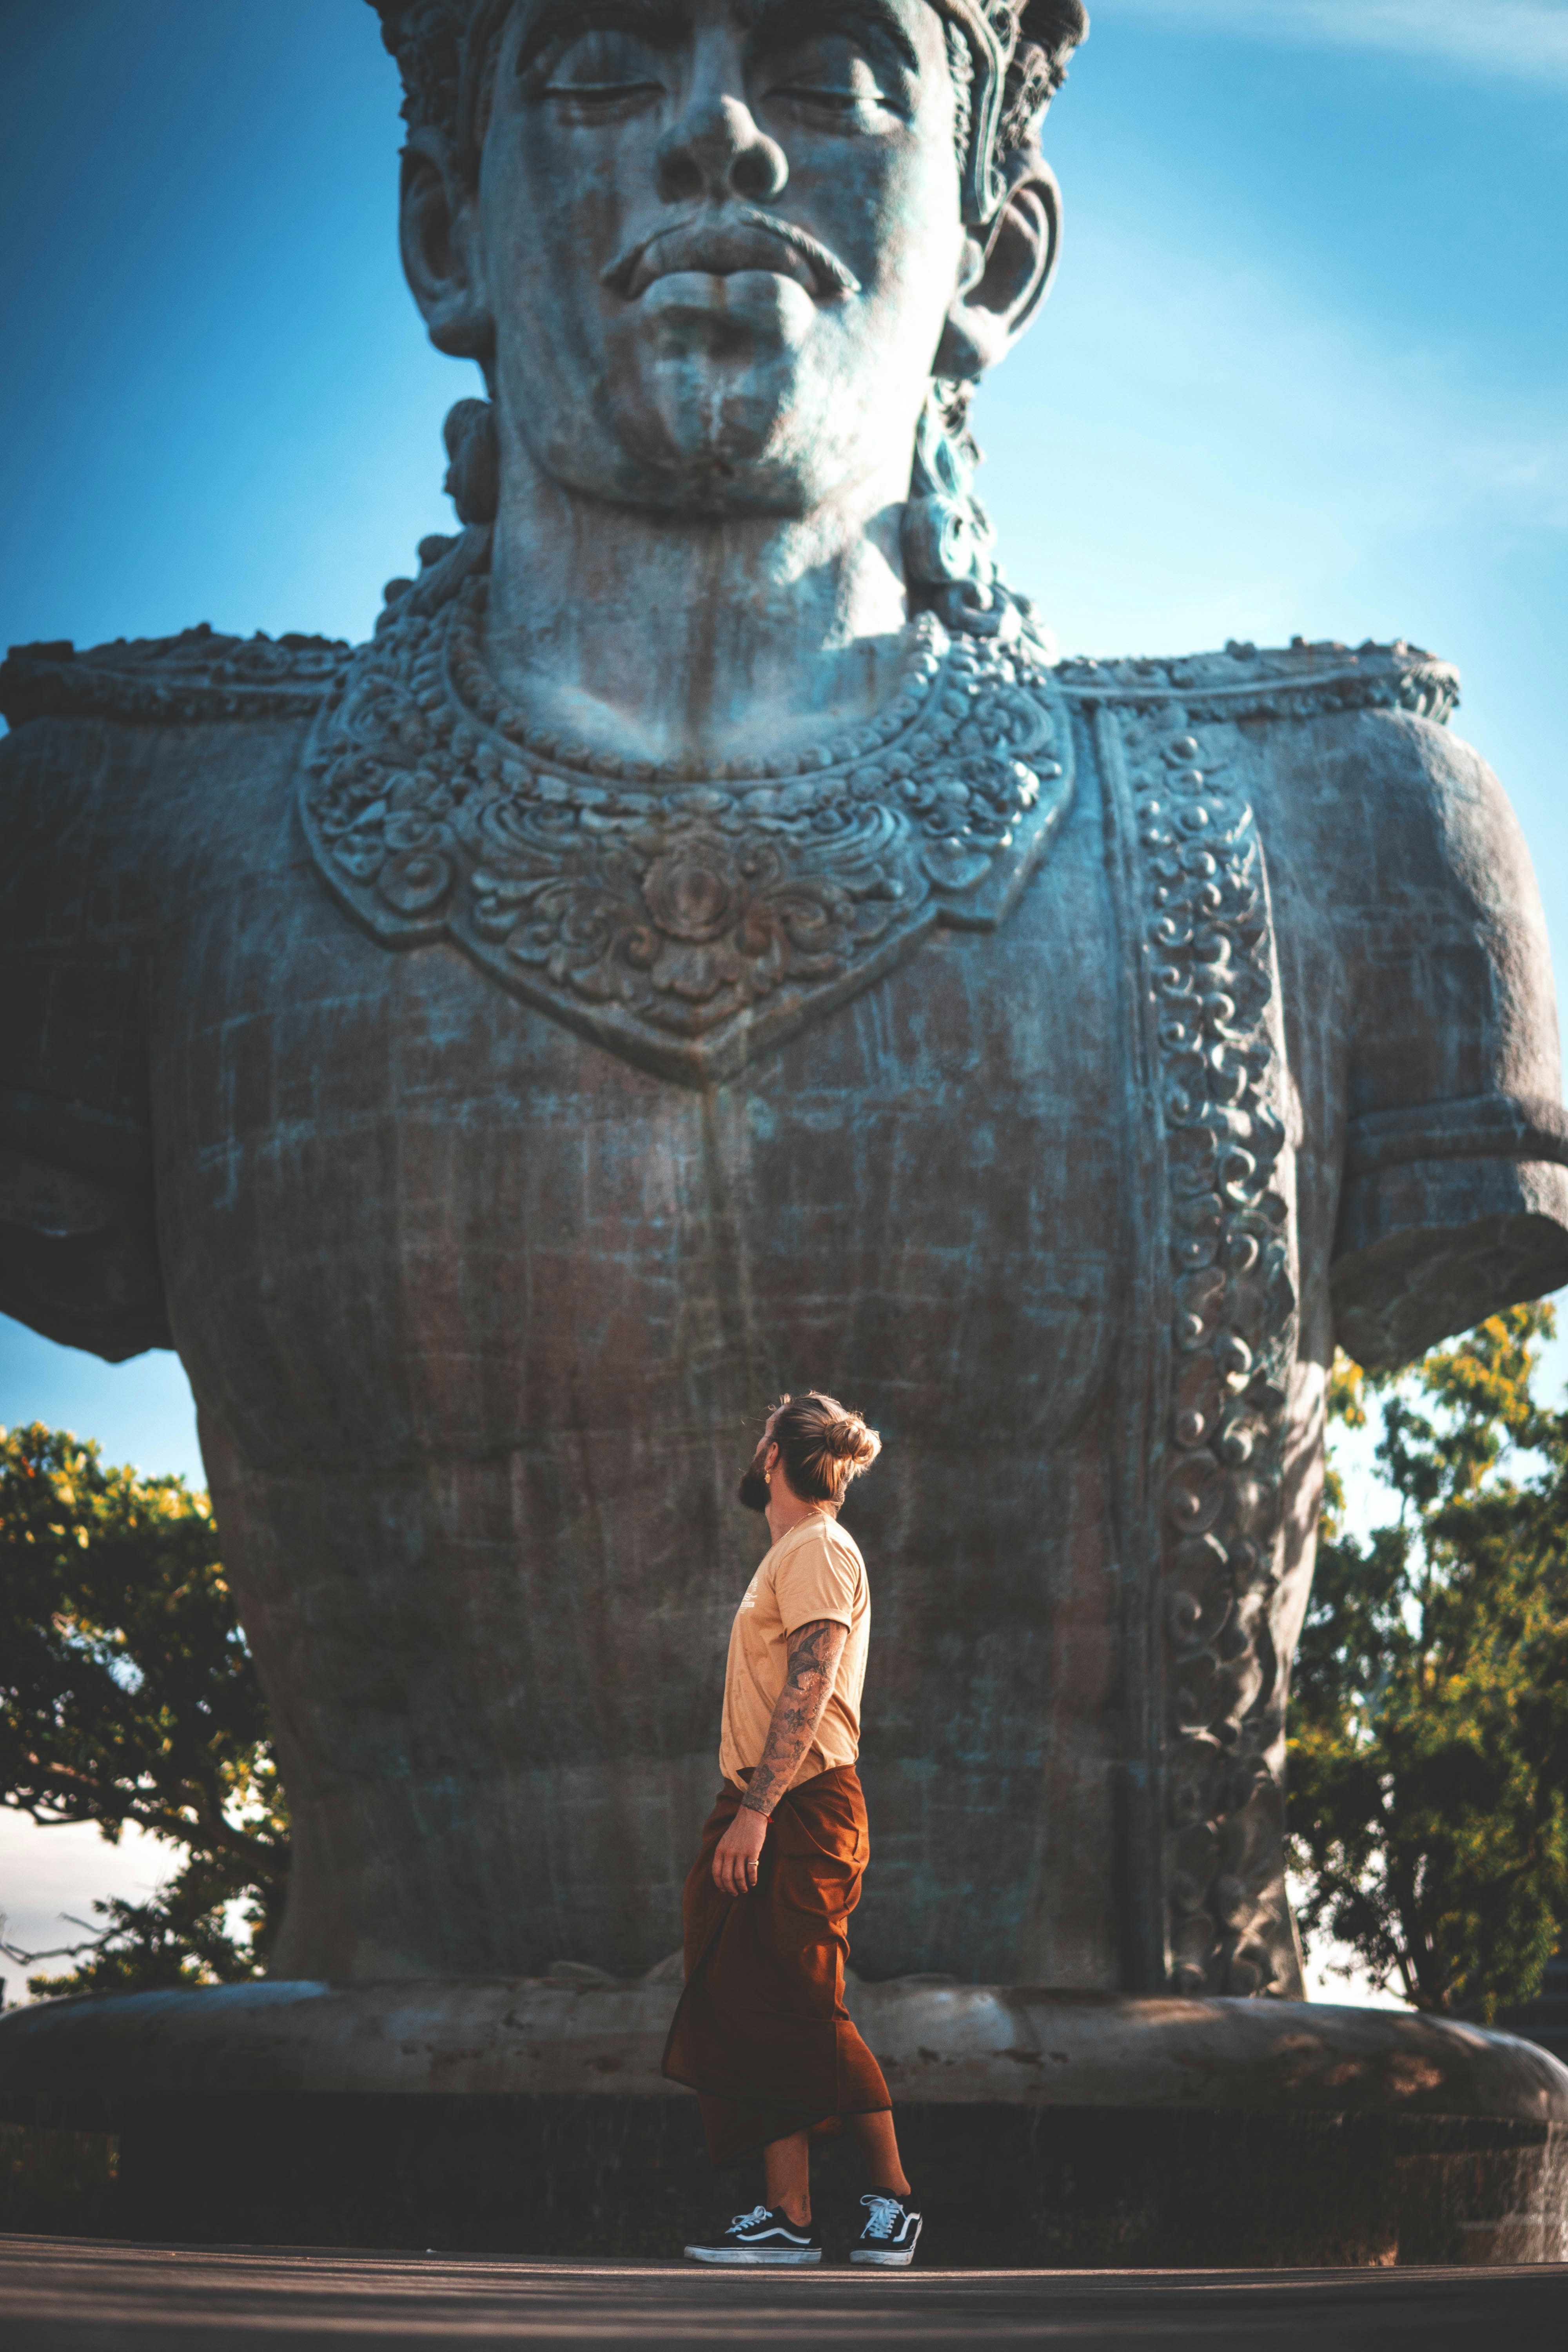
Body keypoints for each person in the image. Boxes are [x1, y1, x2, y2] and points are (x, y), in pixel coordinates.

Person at [664, 1393, 920, 2269]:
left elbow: (807, 1691)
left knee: (805, 2003)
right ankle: (788, 2215)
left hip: (799, 1804)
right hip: (759, 1799)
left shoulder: (815, 1547)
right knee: (748, 1999)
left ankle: (891, 2201)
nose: (753, 1442)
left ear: (773, 1451)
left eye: (759, 1430)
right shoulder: (791, 1550)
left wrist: (759, 1812)